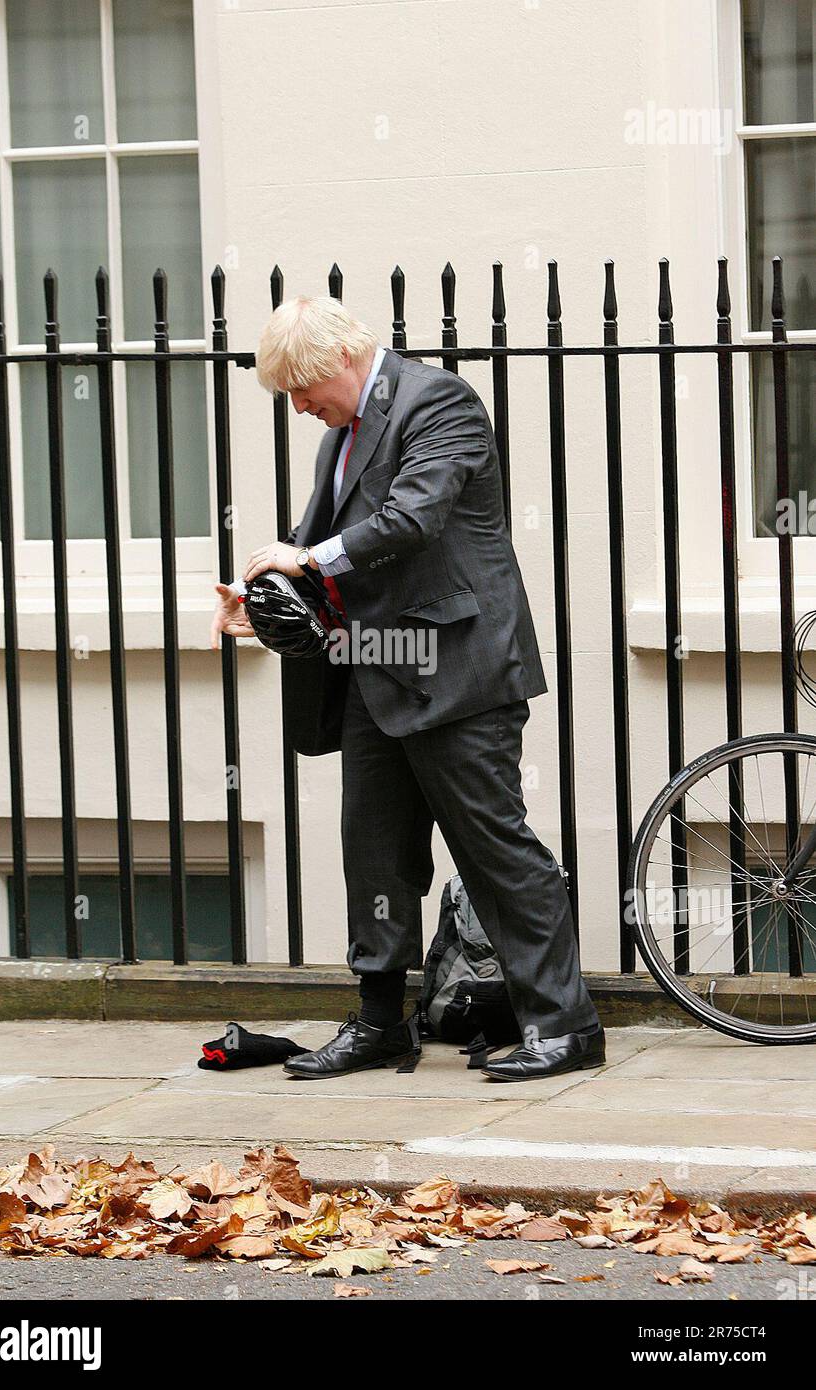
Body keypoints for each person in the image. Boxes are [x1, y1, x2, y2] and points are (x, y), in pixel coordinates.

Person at [210, 296, 603, 1082]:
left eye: (301, 388)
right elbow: (331, 557)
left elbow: (411, 520)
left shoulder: (440, 403)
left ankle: (565, 1026)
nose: (299, 407)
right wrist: (269, 607)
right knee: (375, 857)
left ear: (339, 361)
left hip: (458, 670)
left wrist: (308, 559)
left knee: (496, 852)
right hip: (374, 671)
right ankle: (382, 1023)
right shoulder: (339, 441)